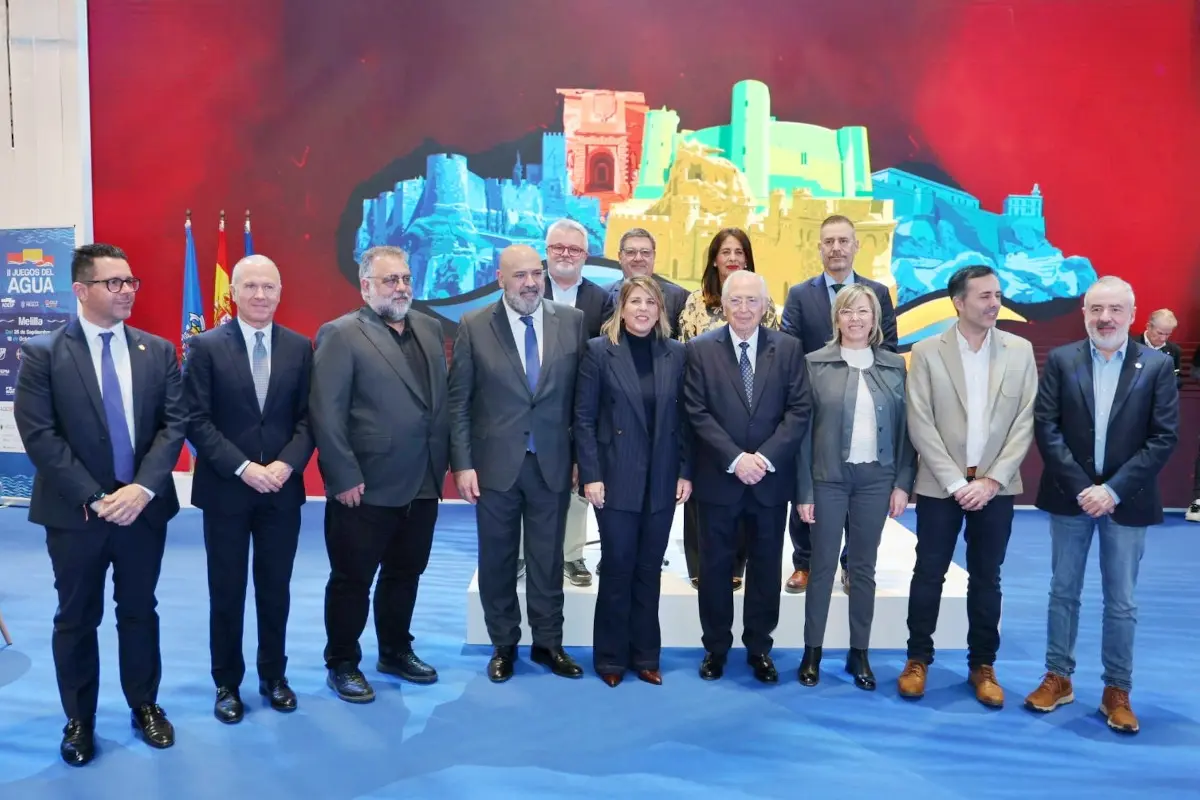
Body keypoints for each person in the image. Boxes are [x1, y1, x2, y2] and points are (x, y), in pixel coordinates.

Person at [13, 243, 186, 766]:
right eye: (114, 283)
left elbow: (173, 426)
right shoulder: (43, 353)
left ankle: (145, 704)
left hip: (143, 510)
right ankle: (79, 720)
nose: (127, 291)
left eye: (131, 281)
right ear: (81, 290)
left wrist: (142, 489)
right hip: (75, 515)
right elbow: (39, 435)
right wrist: (96, 496)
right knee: (76, 617)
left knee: (139, 610)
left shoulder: (157, 351)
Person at [1025, 276, 1179, 734]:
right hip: (1070, 497)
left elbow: (1163, 437)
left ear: (1132, 315)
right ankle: (1058, 677)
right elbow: (1047, 427)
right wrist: (1082, 487)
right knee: (1063, 591)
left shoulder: (1156, 366)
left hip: (1127, 501)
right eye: (1096, 309)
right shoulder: (1062, 360)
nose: (1105, 318)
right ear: (1084, 314)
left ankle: (1117, 689)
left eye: (1114, 309)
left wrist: (1111, 490)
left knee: (1122, 601)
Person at [309, 245, 450, 703]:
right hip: (364, 485)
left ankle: (394, 650)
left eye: (406, 278)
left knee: (405, 573)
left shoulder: (429, 328)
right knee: (352, 579)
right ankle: (342, 662)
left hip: (423, 480)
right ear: (366, 286)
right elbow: (326, 413)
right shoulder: (341, 334)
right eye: (391, 280)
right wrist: (342, 476)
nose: (401, 287)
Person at [898, 264, 1038, 708]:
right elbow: (920, 421)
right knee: (929, 573)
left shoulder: (1020, 350)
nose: (995, 303)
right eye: (984, 296)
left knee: (987, 577)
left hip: (997, 487)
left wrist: (992, 480)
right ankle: (917, 660)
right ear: (958, 302)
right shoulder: (927, 351)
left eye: (997, 294)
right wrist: (957, 482)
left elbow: (1025, 421)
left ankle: (983, 665)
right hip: (941, 486)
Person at [183, 254, 314, 723]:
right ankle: (227, 683)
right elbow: (195, 419)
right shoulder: (204, 346)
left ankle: (274, 676)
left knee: (275, 589)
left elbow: (309, 419)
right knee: (227, 591)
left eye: (269, 287)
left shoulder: (300, 347)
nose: (260, 295)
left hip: (281, 490)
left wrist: (285, 464)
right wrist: (242, 468)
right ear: (233, 292)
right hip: (226, 491)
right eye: (251, 286)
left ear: (280, 293)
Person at [449, 244, 587, 682]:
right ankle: (504, 645)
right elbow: (459, 402)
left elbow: (580, 402)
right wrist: (462, 465)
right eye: (519, 275)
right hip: (494, 467)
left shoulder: (572, 321)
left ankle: (549, 644)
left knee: (548, 560)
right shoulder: (474, 325)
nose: (530, 283)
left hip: (553, 464)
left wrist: (581, 460)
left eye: (536, 274)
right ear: (500, 279)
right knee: (498, 560)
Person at [683, 270, 811, 683]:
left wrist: (764, 458)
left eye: (752, 300)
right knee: (714, 569)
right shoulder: (699, 349)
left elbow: (799, 410)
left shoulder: (788, 349)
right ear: (723, 304)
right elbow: (696, 411)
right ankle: (715, 648)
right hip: (719, 480)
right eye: (735, 300)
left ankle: (759, 648)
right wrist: (736, 458)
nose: (743, 308)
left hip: (770, 483)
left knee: (766, 569)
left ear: (765, 305)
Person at [794, 283, 916, 690]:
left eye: (863, 311)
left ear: (875, 318)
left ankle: (858, 653)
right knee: (822, 566)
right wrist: (804, 491)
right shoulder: (814, 363)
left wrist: (902, 484)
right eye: (847, 311)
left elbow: (907, 430)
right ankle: (812, 652)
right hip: (827, 479)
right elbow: (802, 434)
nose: (856, 318)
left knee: (863, 568)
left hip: (876, 481)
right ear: (837, 319)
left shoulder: (894, 366)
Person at [574, 275, 692, 686]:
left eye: (651, 302)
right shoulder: (598, 351)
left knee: (648, 570)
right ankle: (609, 659)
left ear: (661, 311)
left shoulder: (677, 353)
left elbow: (686, 419)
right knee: (617, 567)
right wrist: (591, 475)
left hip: (661, 478)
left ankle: (645, 656)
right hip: (615, 477)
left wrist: (685, 471)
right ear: (621, 309)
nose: (643, 309)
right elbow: (584, 419)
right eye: (636, 301)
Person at [780, 214, 898, 595]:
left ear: (856, 246)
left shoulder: (877, 293)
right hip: (817, 406)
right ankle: (805, 562)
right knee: (809, 484)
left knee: (859, 489)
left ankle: (851, 565)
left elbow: (889, 346)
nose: (836, 248)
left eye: (843, 241)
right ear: (819, 248)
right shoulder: (800, 294)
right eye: (828, 242)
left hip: (865, 404)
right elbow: (789, 350)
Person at [677, 228, 780, 589]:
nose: (733, 258)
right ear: (714, 259)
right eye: (726, 252)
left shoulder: (765, 302)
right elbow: (685, 355)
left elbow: (773, 358)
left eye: (739, 251)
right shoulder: (695, 303)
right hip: (707, 416)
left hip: (753, 416)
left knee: (746, 497)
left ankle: (738, 563)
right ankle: (699, 564)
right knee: (705, 495)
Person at [539, 218, 608, 587]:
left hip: (582, 406)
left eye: (574, 249)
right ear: (546, 251)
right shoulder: (528, 288)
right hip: (534, 406)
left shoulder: (602, 299)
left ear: (585, 255)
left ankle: (571, 555)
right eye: (558, 248)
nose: (565, 254)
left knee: (579, 480)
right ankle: (524, 554)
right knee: (529, 477)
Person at [600, 227, 689, 339]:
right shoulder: (602, 294)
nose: (638, 258)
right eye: (630, 252)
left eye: (645, 252)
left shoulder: (677, 296)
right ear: (620, 256)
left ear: (654, 256)